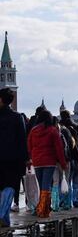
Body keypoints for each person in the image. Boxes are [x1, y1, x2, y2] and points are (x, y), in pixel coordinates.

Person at [28, 110, 67, 218]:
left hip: (37, 161)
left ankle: (41, 207)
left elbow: (29, 145)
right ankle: (43, 210)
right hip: (49, 161)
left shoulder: (33, 131)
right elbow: (59, 148)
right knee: (46, 185)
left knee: (41, 185)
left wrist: (32, 157)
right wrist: (63, 163)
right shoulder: (53, 131)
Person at [0, 88, 28, 227]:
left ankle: (3, 217)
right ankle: (3, 215)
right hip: (13, 159)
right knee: (9, 186)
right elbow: (22, 140)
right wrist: (25, 159)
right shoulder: (17, 117)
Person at [59, 110, 78, 208]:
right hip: (75, 156)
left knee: (65, 179)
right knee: (76, 179)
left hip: (65, 157)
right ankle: (75, 199)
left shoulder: (60, 127)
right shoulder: (77, 126)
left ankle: (66, 201)